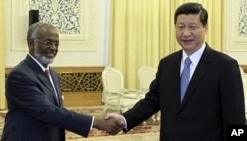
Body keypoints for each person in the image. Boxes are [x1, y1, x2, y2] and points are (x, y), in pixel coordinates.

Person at [105, 2, 246, 141]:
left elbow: (235, 117)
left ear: (206, 27)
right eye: (180, 27)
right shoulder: (167, 64)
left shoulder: (225, 66)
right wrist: (124, 119)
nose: (186, 33)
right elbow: (152, 101)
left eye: (192, 27)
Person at [1, 22, 124, 141]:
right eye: (48, 43)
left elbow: (57, 111)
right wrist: (96, 122)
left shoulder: (53, 73)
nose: (53, 48)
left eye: (56, 43)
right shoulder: (19, 75)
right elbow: (46, 111)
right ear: (31, 43)